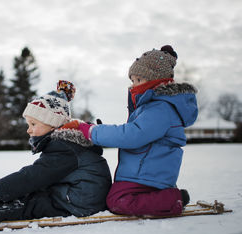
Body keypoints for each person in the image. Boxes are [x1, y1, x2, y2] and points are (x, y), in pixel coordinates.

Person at [0, 80, 112, 226]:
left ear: (52, 124)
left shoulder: (65, 147)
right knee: (34, 192)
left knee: (33, 203)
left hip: (82, 201)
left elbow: (32, 177)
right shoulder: (66, 144)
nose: (28, 130)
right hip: (79, 193)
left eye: (33, 123)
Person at [62, 45, 198, 217]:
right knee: (112, 198)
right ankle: (162, 197)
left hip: (148, 174)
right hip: (140, 173)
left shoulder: (160, 109)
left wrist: (92, 131)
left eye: (139, 80)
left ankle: (172, 199)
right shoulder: (149, 107)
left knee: (118, 202)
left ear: (158, 80)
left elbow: (131, 135)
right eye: (132, 81)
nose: (133, 86)